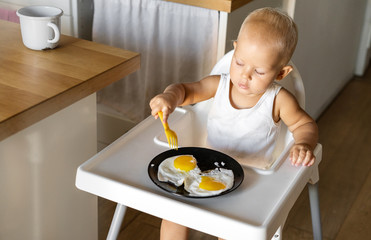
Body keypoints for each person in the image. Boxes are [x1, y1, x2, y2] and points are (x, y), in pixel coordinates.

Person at [149, 7, 318, 240]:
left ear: (281, 73)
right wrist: (169, 97)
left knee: (231, 232)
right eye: (239, 62)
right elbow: (186, 90)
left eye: (258, 71)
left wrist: (304, 145)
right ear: (235, 48)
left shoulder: (278, 100)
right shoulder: (219, 85)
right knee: (172, 216)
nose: (245, 75)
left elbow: (304, 125)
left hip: (250, 185)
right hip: (204, 172)